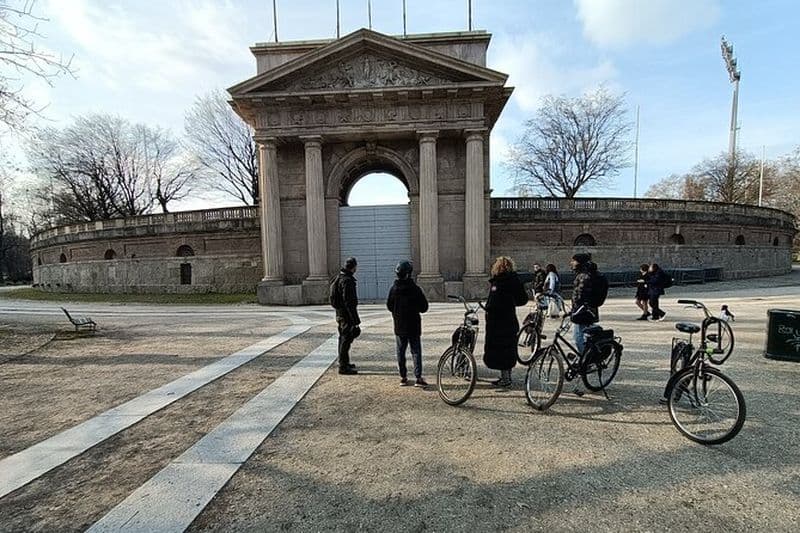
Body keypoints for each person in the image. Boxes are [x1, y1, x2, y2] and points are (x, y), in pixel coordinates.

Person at [483, 256, 529, 387]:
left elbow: (492, 303)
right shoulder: (514, 280)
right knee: (508, 348)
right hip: (509, 319)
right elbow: (522, 299)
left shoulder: (497, 282)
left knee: (499, 349)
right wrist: (511, 303)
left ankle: (505, 378)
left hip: (497, 321)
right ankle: (506, 376)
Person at [386, 260, 429, 387]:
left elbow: (389, 305)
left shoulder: (394, 289)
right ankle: (418, 377)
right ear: (409, 273)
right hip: (414, 325)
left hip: (399, 325)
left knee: (400, 351)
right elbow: (424, 307)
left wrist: (397, 312)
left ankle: (403, 377)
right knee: (415, 351)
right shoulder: (415, 289)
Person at [333, 257, 360, 375]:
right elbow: (350, 302)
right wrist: (355, 321)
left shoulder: (339, 277)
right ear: (354, 267)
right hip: (346, 315)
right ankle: (343, 367)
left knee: (343, 339)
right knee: (346, 340)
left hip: (340, 314)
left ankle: (344, 362)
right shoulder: (347, 280)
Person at [570, 253, 598, 355]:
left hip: (583, 311)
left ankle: (586, 360)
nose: (571, 263)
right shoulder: (584, 274)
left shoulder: (583, 276)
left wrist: (575, 310)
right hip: (586, 310)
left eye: (574, 261)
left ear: (579, 263)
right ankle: (588, 356)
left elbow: (581, 295)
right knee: (584, 335)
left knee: (578, 337)